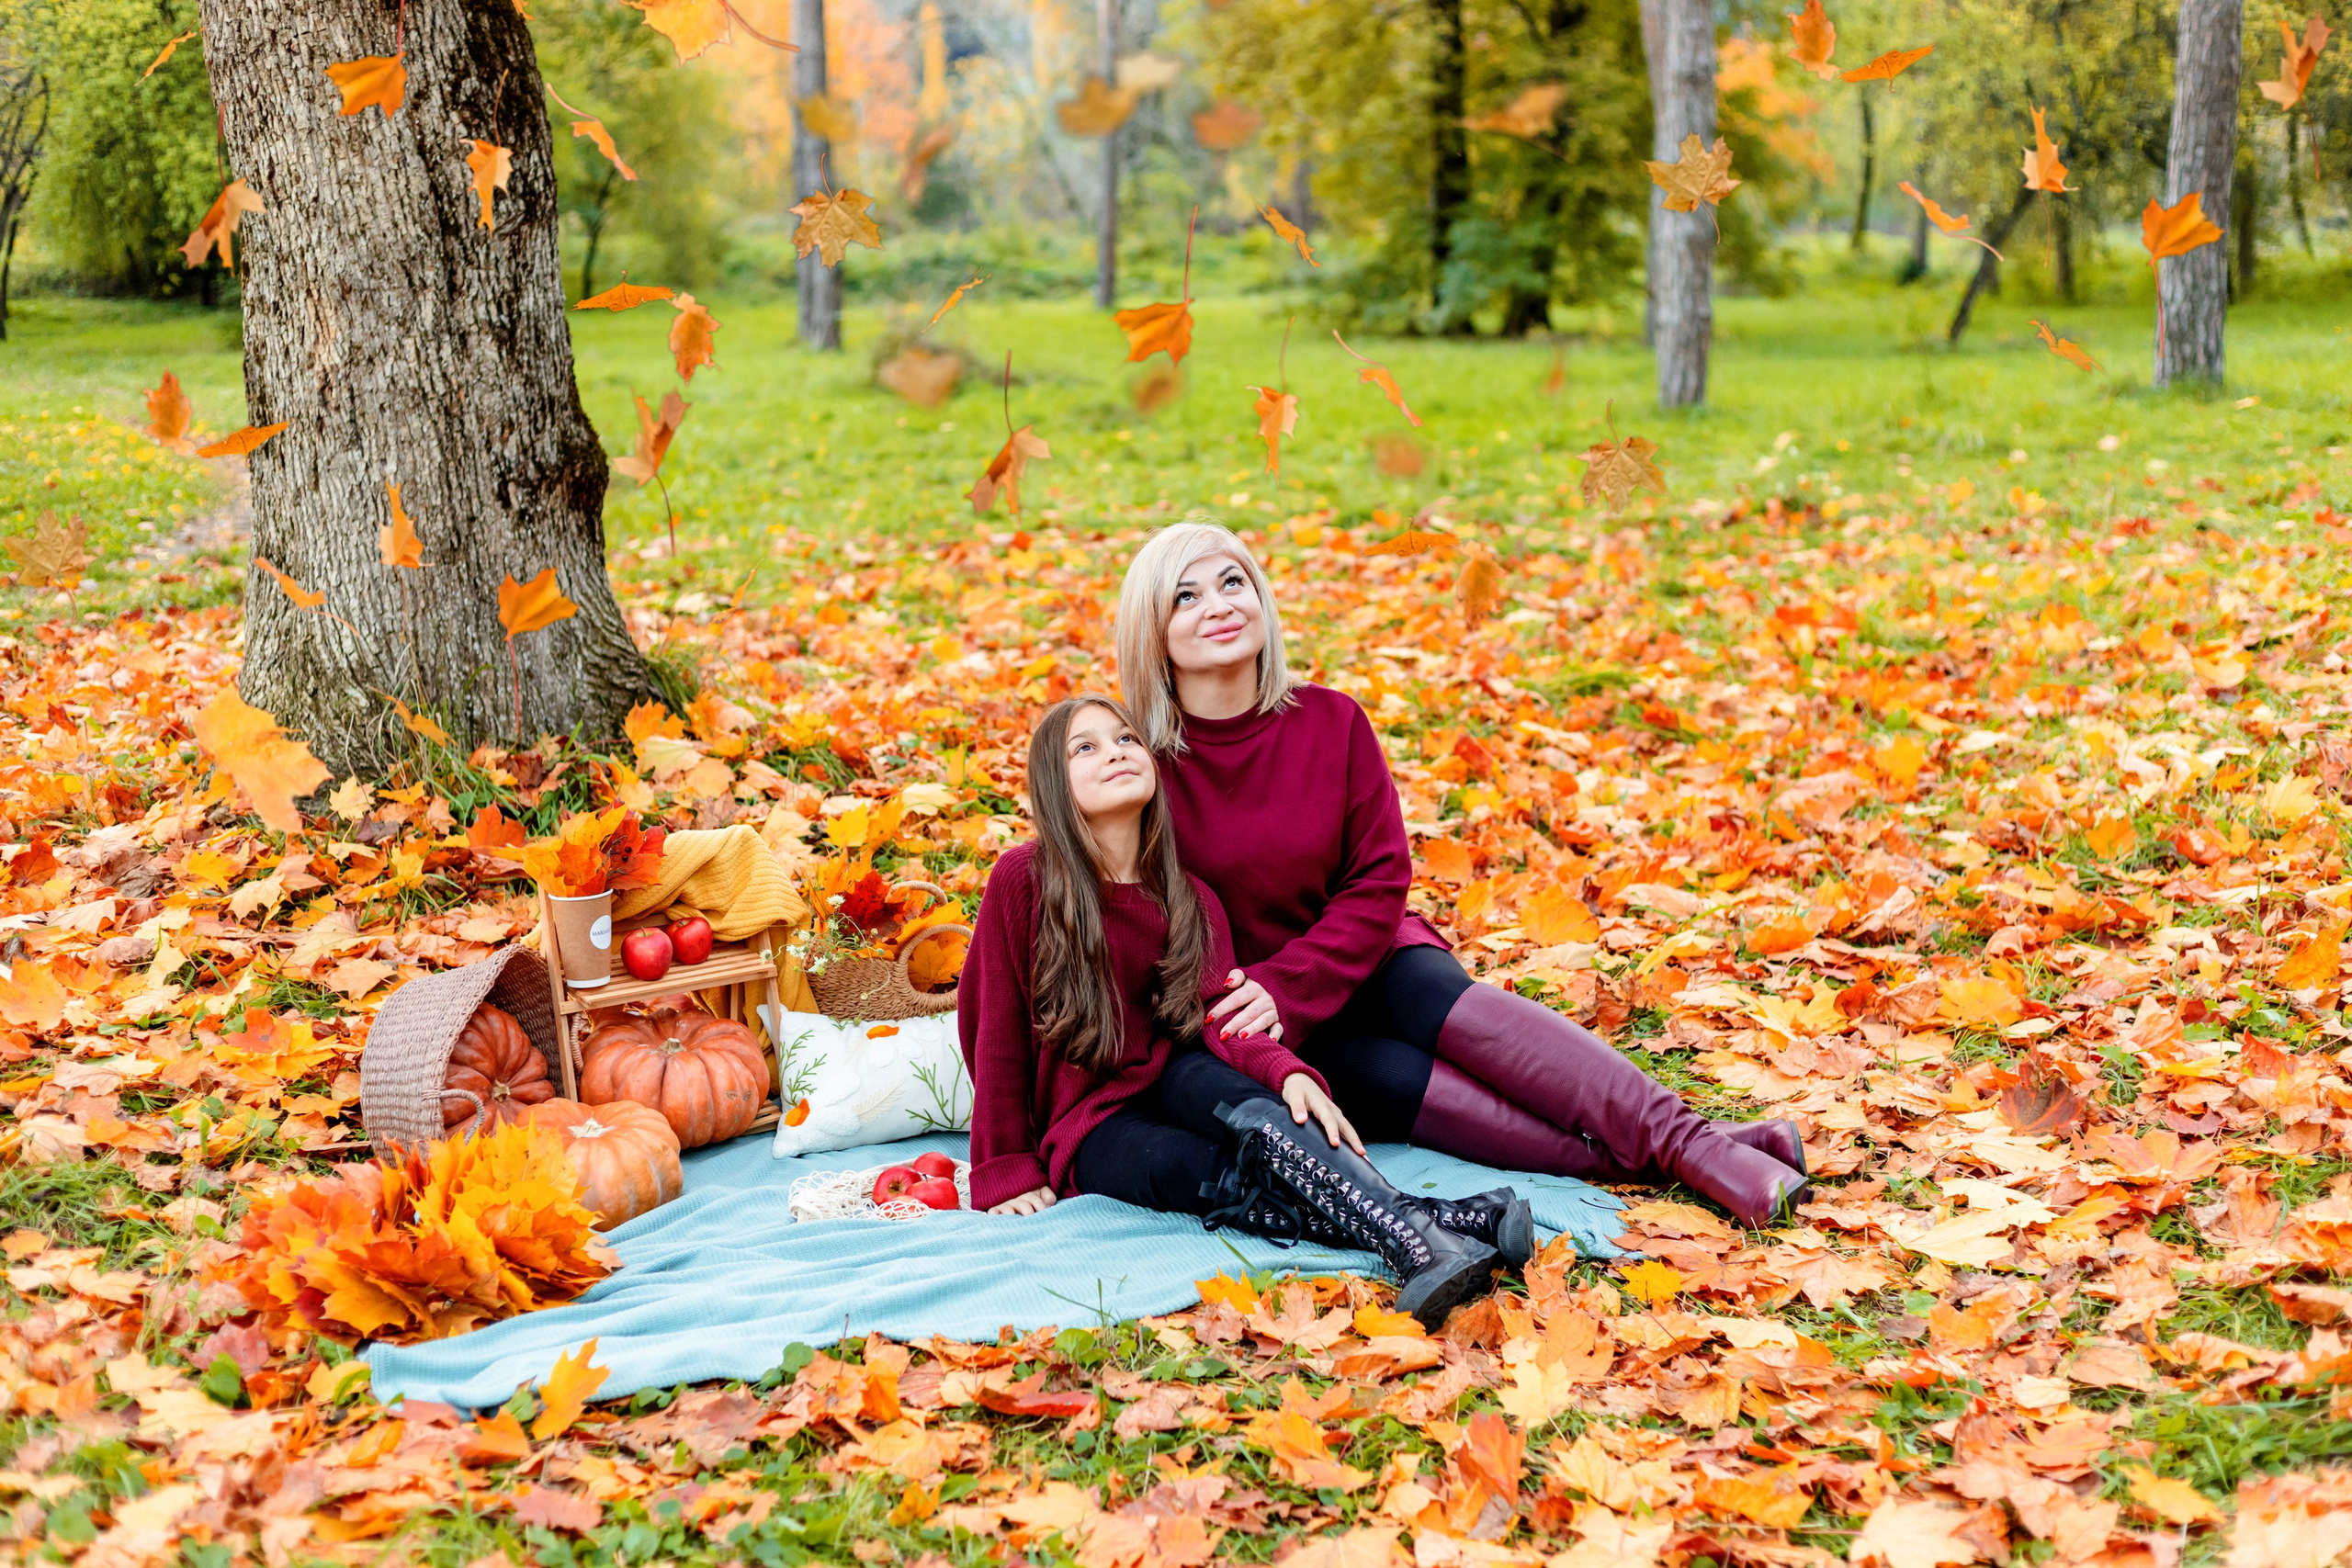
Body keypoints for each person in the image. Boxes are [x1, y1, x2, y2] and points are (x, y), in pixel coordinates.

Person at [1114, 518, 1812, 1230]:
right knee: (1384, 1077)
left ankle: (1691, 1143)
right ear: (1154, 634)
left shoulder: (1331, 721)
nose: (1221, 605)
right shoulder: (1138, 773)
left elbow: (1380, 878)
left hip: (1369, 961)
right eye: (1186, 597)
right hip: (1268, 1027)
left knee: (1430, 988)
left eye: (1234, 582)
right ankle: (1715, 1153)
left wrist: (1291, 982)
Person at [956, 694, 1531, 1327]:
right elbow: (995, 1031)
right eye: (1084, 747)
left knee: (1257, 1113)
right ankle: (1453, 1220)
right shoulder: (1024, 880)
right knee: (1198, 1172)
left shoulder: (1191, 898)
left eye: (1125, 738)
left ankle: (1414, 1241)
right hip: (1092, 1123)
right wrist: (1003, 1164)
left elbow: (1222, 1019)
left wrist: (1288, 1073)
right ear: (1054, 784)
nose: (1114, 752)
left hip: (1175, 1073)